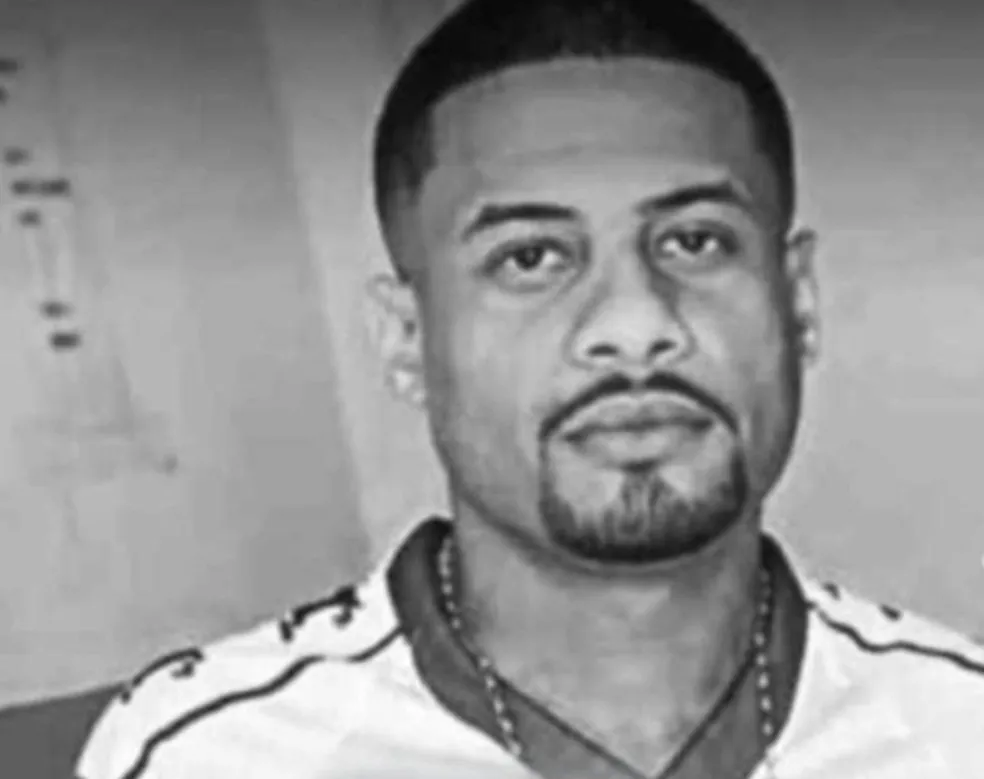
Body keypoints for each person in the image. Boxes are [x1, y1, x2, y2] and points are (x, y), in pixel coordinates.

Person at [76, 0, 984, 777]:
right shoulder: (213, 754)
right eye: (531, 257)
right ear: (406, 337)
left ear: (799, 301)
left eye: (695, 241)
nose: (634, 321)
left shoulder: (959, 725)